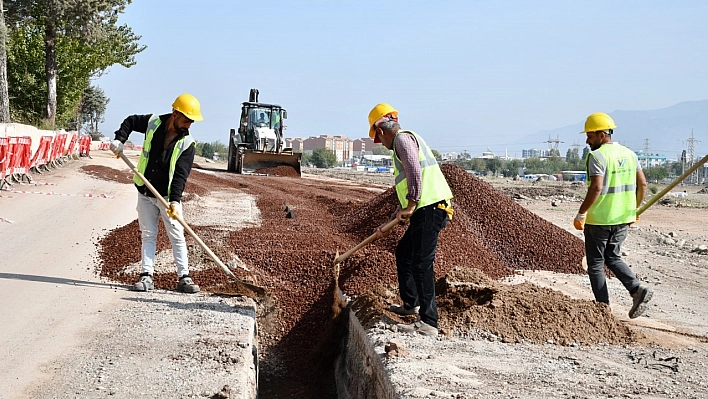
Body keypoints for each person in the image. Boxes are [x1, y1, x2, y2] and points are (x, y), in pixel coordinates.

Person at [369, 103, 453, 337]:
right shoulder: (403, 142)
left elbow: (415, 172)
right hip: (422, 207)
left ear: (381, 130)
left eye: (378, 139)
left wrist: (412, 203)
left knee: (421, 262)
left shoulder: (402, 141)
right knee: (404, 253)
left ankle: (429, 321)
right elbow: (410, 181)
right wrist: (402, 209)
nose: (382, 145)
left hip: (430, 207)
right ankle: (410, 304)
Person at [109, 93, 203, 294]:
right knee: (148, 234)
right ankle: (146, 276)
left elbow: (180, 176)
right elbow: (130, 121)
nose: (189, 125)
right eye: (186, 120)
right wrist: (119, 140)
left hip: (167, 197)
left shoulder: (188, 144)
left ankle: (184, 277)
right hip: (145, 190)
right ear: (175, 113)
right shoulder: (153, 122)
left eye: (191, 122)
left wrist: (176, 202)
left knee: (177, 236)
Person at [574, 112, 652, 318]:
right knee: (613, 256)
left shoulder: (597, 156)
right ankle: (636, 289)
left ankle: (602, 309)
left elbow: (596, 188)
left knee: (596, 263)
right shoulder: (629, 154)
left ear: (602, 135)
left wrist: (581, 213)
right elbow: (642, 184)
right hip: (623, 219)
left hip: (600, 219)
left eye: (590, 136)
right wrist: (633, 209)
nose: (587, 140)